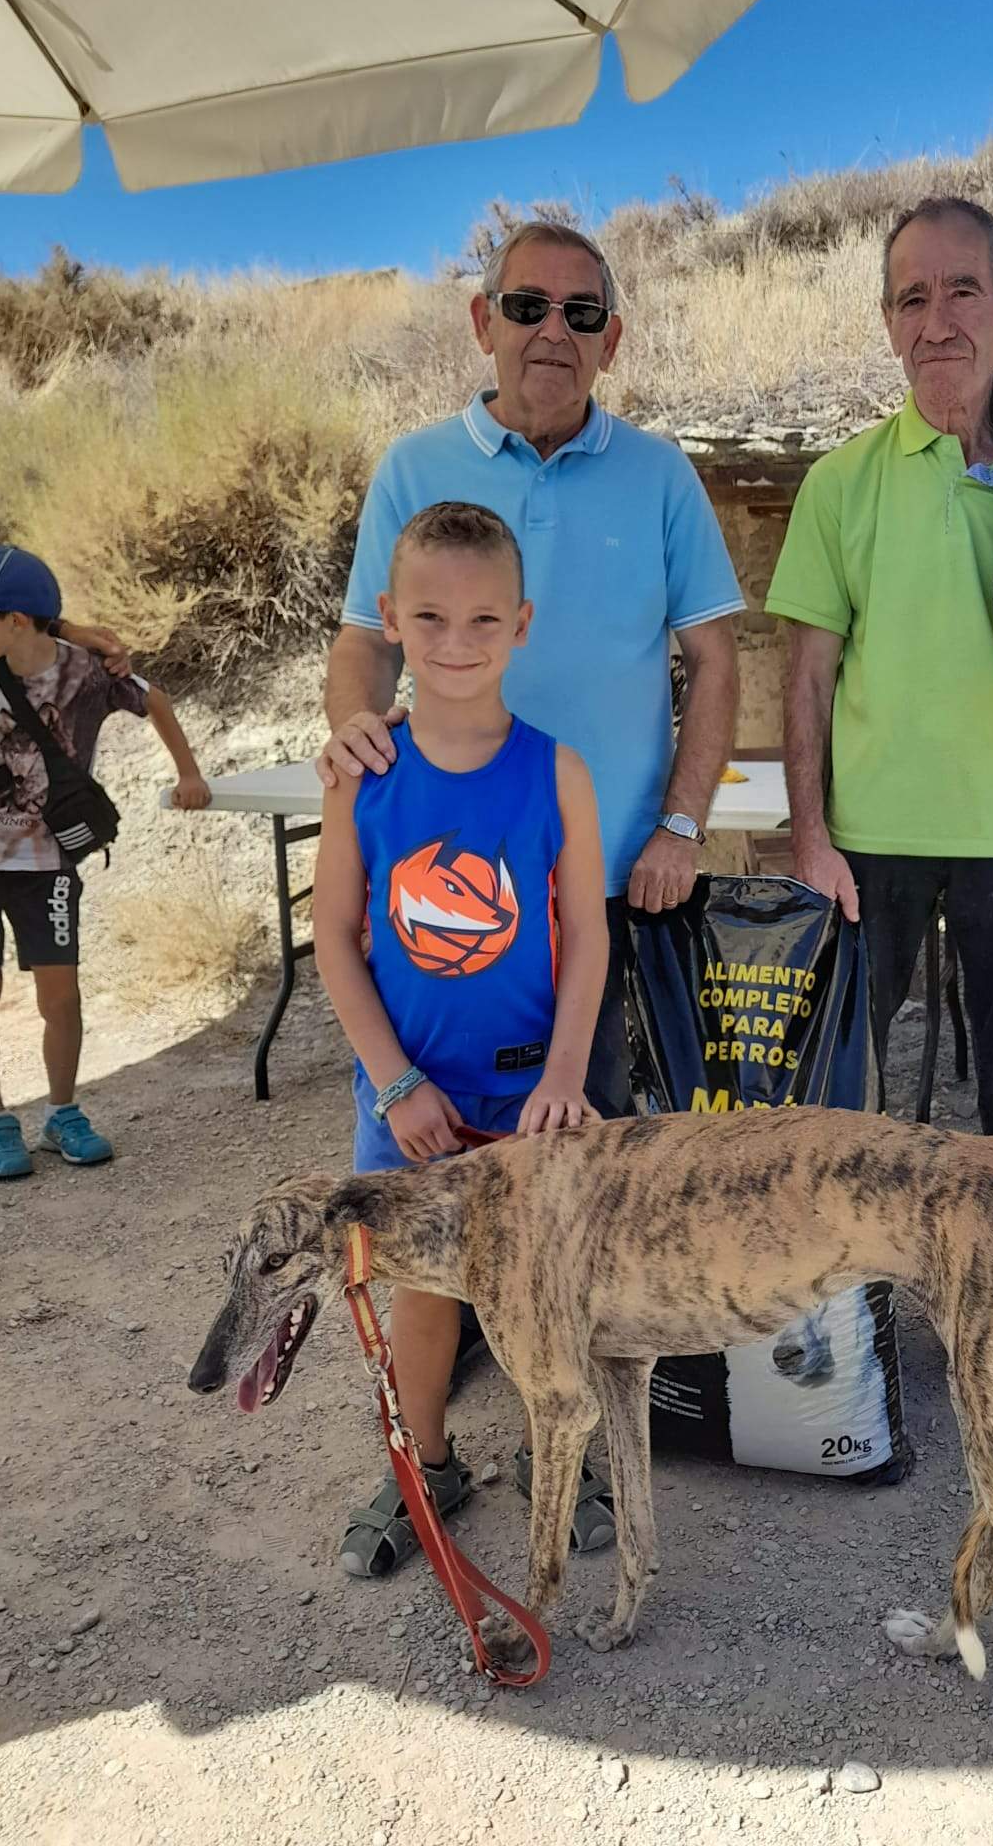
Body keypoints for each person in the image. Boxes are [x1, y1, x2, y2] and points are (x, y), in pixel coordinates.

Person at [317, 219, 743, 1125]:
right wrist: (355, 724)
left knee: (589, 1146)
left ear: (610, 341)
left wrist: (680, 827)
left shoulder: (662, 475)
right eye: (528, 306)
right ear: (484, 323)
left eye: (582, 313)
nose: (555, 330)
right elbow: (365, 642)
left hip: (616, 884)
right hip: (446, 867)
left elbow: (714, 660)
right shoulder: (411, 469)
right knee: (436, 1151)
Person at [765, 196, 993, 1174]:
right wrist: (810, 837)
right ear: (889, 321)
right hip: (868, 841)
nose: (936, 322)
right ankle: (848, 1273)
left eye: (963, 291)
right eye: (912, 298)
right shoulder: (840, 484)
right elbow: (806, 676)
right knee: (835, 1092)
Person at [315, 504, 612, 1576]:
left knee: (543, 1288)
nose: (456, 640)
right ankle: (422, 1465)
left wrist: (566, 1072)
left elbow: (586, 935)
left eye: (484, 618)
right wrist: (395, 1084)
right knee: (425, 1291)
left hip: (530, 1100)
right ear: (390, 618)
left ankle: (554, 1458)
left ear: (520, 624)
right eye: (430, 616)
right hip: (410, 1101)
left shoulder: (557, 772)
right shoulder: (364, 776)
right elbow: (334, 940)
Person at [0, 544, 211, 1178]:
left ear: (15, 620)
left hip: (47, 863)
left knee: (60, 996)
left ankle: (61, 1114)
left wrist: (189, 774)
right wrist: (70, 624)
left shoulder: (86, 675)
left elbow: (156, 700)